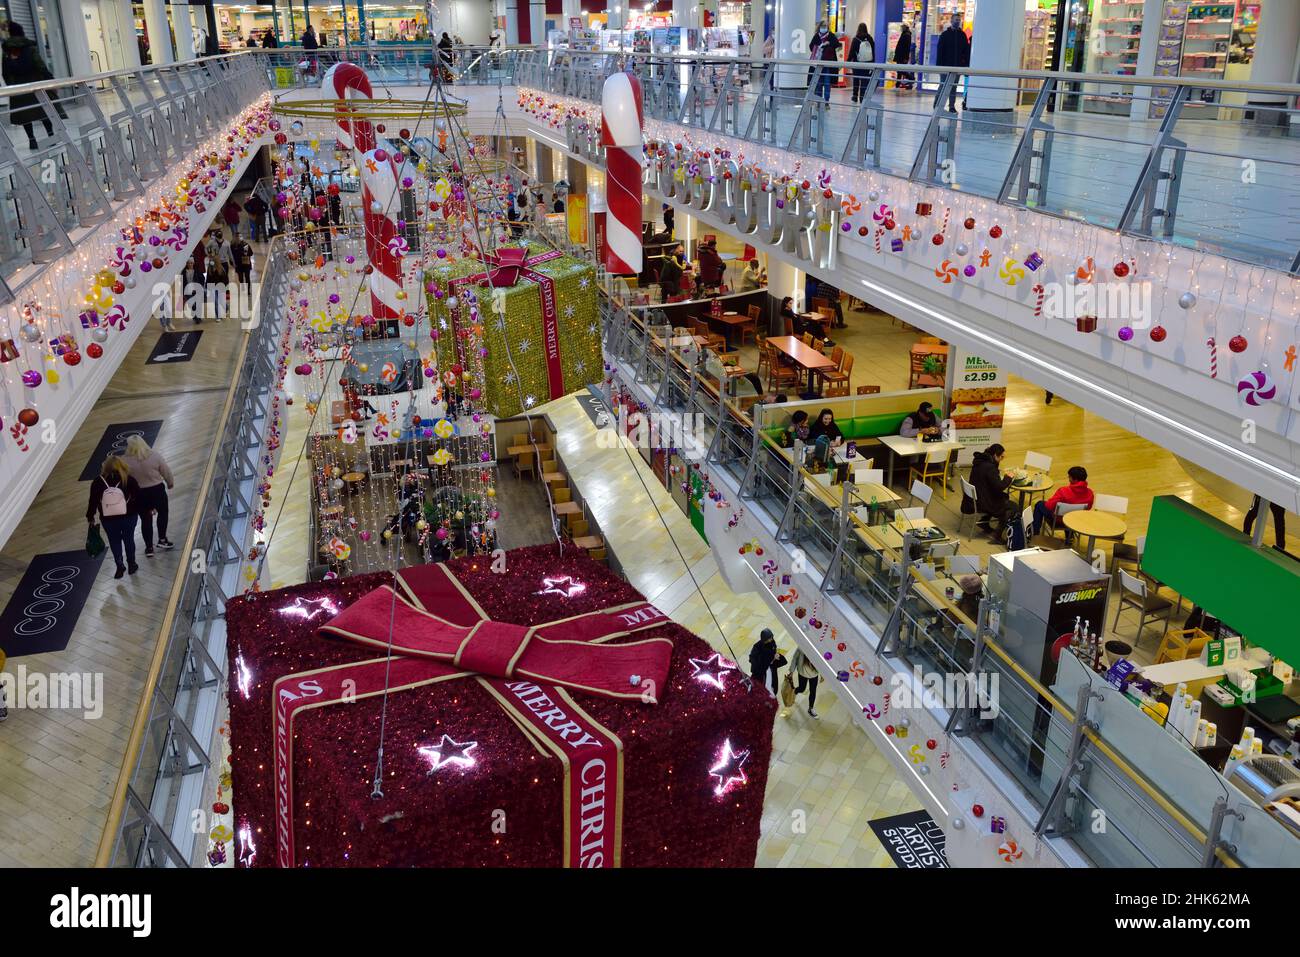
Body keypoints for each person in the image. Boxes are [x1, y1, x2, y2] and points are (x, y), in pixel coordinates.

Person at [87, 456, 142, 579]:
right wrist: (141, 510)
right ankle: (132, 564)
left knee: (114, 541)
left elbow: (93, 502)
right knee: (129, 539)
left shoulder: (97, 481)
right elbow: (139, 496)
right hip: (128, 516)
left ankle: (119, 565)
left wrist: (90, 516)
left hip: (108, 519)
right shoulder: (128, 479)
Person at [3, 22, 55, 150]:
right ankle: (51, 136)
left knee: (25, 114)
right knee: (43, 111)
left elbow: (5, 72)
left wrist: (12, 86)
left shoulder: (7, 51)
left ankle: (32, 140)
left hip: (18, 87)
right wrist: (50, 80)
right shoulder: (29, 48)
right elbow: (40, 65)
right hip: (34, 83)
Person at [124, 435, 175, 557]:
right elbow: (166, 471)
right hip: (157, 490)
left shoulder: (124, 460)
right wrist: (170, 482)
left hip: (139, 494)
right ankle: (162, 539)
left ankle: (149, 548)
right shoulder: (154, 456)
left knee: (145, 520)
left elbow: (124, 479)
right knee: (163, 513)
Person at [1032, 466, 1095, 536]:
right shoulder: (1090, 493)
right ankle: (1069, 536)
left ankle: (1035, 533)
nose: (1068, 478)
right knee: (1070, 509)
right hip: (1075, 520)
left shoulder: (1064, 491)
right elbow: (1087, 509)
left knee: (1039, 504)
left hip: (1059, 520)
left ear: (1075, 480)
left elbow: (1049, 506)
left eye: (1069, 477)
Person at [970, 443, 1013, 533]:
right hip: (982, 501)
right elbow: (1000, 487)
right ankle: (998, 535)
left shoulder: (980, 461)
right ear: (994, 455)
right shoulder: (990, 467)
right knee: (1011, 507)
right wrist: (1008, 477)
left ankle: (984, 522)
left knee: (1003, 496)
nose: (1002, 459)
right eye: (1001, 457)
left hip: (974, 497)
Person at [935, 13, 970, 112]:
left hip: (957, 66)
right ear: (951, 21)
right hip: (945, 66)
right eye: (955, 20)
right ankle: (937, 105)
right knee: (943, 85)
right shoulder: (945, 35)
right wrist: (939, 66)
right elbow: (940, 51)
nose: (957, 22)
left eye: (959, 20)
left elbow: (965, 51)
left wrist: (965, 65)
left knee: (953, 87)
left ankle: (951, 106)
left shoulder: (962, 35)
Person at [748, 628, 785, 696]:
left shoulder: (772, 642)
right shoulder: (757, 647)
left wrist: (775, 655)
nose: (771, 639)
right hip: (761, 671)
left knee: (771, 684)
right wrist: (772, 657)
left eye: (771, 638)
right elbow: (753, 659)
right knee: (759, 684)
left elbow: (774, 649)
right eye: (769, 638)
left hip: (770, 668)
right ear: (765, 639)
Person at [848, 23, 875, 103]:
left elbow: (852, 52)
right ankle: (862, 97)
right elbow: (873, 52)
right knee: (864, 81)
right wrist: (873, 62)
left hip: (857, 63)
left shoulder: (856, 39)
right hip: (867, 63)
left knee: (856, 79)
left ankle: (855, 96)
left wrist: (848, 61)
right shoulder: (870, 38)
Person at [790, 647, 820, 718]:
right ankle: (794, 692)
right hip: (802, 673)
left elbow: (822, 663)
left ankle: (811, 708)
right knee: (802, 688)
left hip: (814, 674)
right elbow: (795, 659)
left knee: (813, 691)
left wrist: (822, 675)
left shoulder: (817, 649)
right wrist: (791, 671)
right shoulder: (801, 648)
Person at [814, 26, 839, 102]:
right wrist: (819, 46)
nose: (823, 28)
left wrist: (829, 43)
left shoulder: (831, 35)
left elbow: (837, 44)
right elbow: (811, 46)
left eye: (825, 26)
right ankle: (819, 101)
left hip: (828, 64)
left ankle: (826, 101)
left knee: (827, 83)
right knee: (819, 83)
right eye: (822, 26)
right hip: (818, 64)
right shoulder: (817, 36)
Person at [182, 256, 205, 323]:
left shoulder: (197, 271)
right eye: (188, 263)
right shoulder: (183, 272)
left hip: (196, 290)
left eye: (191, 263)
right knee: (191, 304)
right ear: (186, 264)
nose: (190, 264)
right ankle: (195, 316)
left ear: (193, 263)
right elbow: (182, 282)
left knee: (198, 304)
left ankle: (198, 318)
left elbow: (202, 279)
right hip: (188, 291)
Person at [893, 22, 914, 91]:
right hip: (901, 55)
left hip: (902, 55)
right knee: (900, 70)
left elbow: (906, 47)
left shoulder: (906, 35)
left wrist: (906, 57)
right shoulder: (906, 34)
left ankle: (911, 78)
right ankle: (898, 84)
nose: (901, 29)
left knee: (900, 70)